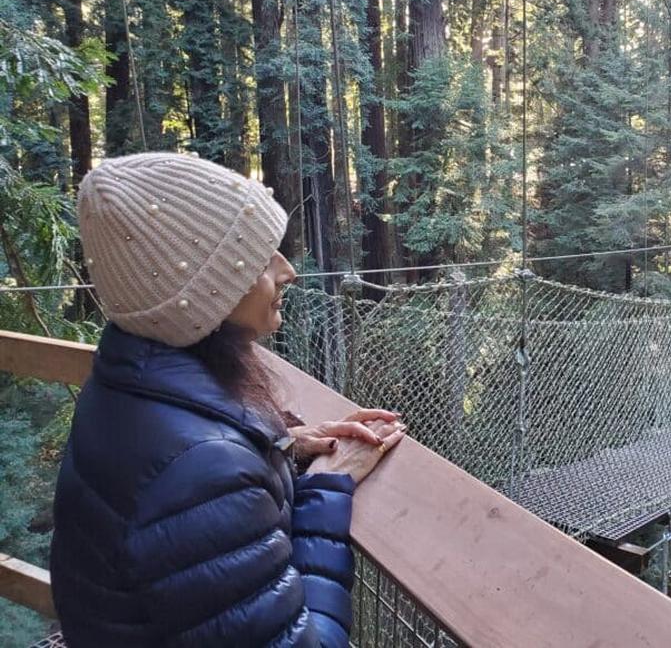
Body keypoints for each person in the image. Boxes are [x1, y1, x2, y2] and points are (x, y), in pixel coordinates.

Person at [50, 151, 405, 647]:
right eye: (260, 260)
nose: (287, 272)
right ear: (203, 296)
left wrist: (279, 446)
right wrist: (328, 485)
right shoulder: (200, 471)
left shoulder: (126, 383)